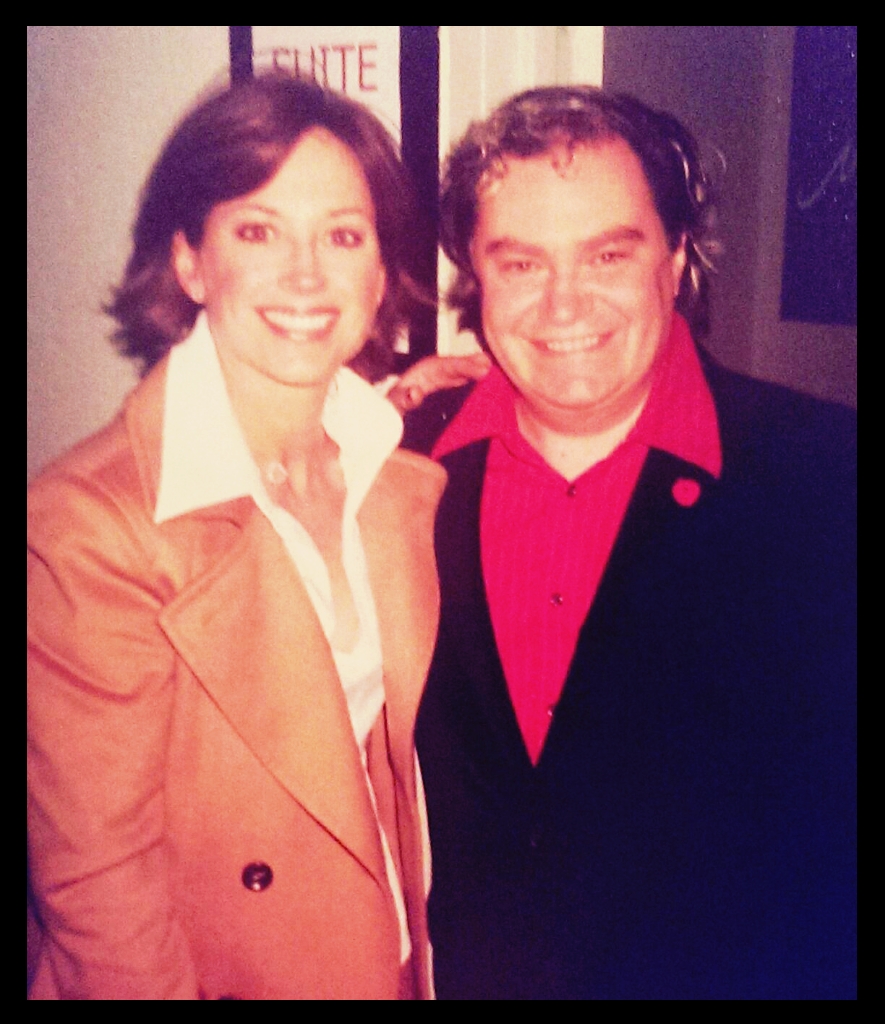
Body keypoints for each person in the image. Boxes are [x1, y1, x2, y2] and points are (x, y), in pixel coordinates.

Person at [406, 87, 856, 999]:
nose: (563, 304)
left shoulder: (828, 479)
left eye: (608, 253)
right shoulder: (401, 468)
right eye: (520, 262)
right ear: (475, 278)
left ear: (676, 259)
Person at [27, 73, 447, 1000]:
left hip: (385, 955)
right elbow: (101, 891)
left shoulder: (393, 472)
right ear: (188, 262)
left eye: (342, 236)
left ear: (381, 273)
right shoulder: (92, 523)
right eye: (257, 232)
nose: (306, 277)